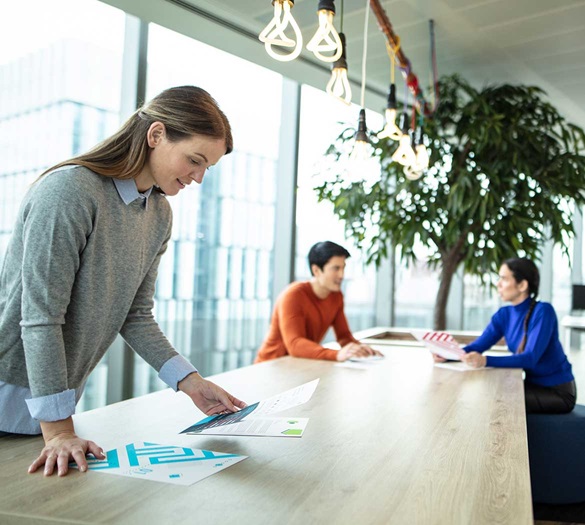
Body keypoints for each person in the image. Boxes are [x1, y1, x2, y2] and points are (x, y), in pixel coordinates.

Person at [0, 86, 246, 476]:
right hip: (21, 401)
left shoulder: (159, 214)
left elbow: (135, 315)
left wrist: (191, 382)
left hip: (49, 416)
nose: (198, 178)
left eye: (206, 168)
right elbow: (42, 318)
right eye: (194, 161)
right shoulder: (68, 191)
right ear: (156, 135)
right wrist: (59, 431)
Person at [436, 257, 576, 414]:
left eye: (504, 278)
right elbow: (478, 346)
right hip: (531, 385)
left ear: (522, 285)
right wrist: (448, 354)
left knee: (496, 396)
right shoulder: (504, 315)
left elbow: (530, 358)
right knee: (491, 389)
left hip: (557, 392)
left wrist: (484, 360)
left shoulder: (543, 311)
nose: (498, 284)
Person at [255, 241, 381, 363]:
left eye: (343, 268)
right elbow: (295, 343)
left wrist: (363, 350)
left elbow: (344, 336)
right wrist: (337, 354)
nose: (342, 275)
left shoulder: (336, 296)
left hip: (299, 365)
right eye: (336, 268)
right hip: (270, 366)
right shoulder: (293, 296)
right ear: (316, 270)